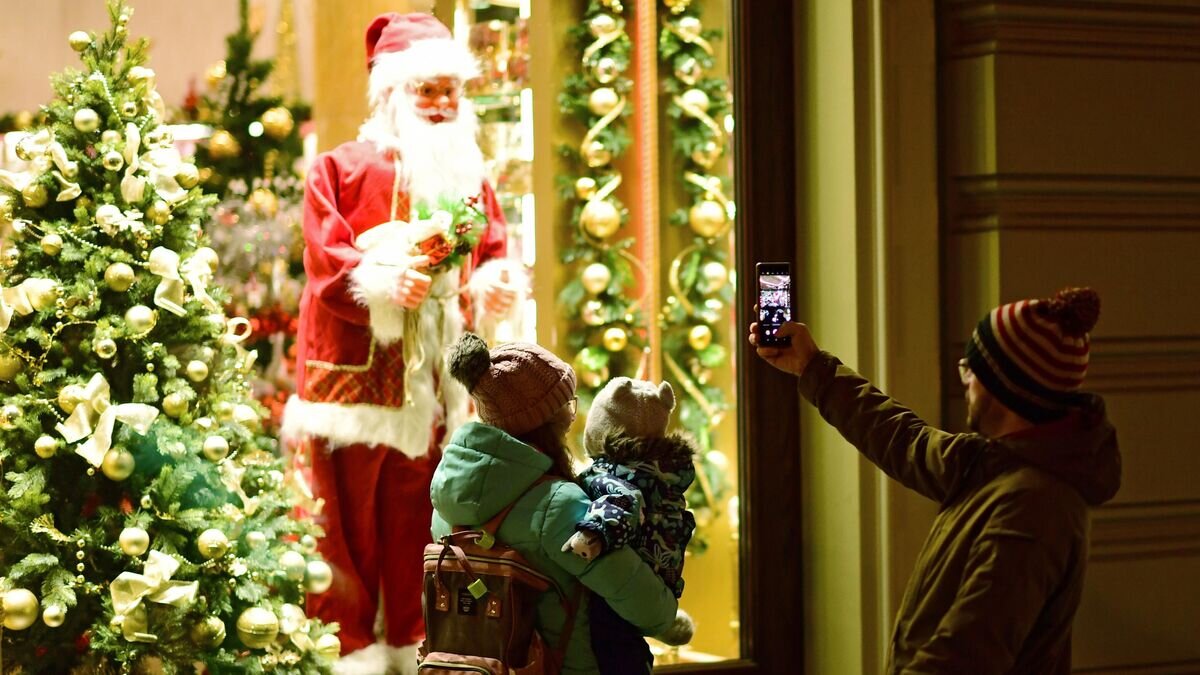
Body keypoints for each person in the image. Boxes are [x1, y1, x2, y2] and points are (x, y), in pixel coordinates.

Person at [281, 13, 525, 672]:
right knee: (349, 520)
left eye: (451, 91)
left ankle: (424, 642)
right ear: (392, 93)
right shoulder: (340, 168)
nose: (443, 104)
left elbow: (495, 248)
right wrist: (384, 282)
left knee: (429, 516)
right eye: (428, 91)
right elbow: (326, 259)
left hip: (442, 378)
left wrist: (498, 283)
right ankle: (352, 648)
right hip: (361, 377)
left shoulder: (472, 174)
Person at [749, 287, 1121, 673]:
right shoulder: (994, 464)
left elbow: (965, 654)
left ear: (1004, 388)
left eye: (971, 370)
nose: (965, 382)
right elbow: (902, 439)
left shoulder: (1034, 506)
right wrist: (812, 366)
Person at [434, 333, 679, 674]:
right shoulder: (557, 504)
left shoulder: (446, 502)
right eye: (566, 405)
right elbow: (650, 609)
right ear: (542, 419)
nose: (571, 417)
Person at [562, 377, 698, 673]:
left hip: (622, 575)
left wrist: (592, 535)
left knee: (610, 640)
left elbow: (622, 502)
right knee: (629, 644)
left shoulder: (614, 473)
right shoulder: (664, 476)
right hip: (660, 576)